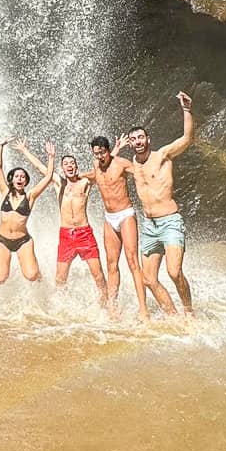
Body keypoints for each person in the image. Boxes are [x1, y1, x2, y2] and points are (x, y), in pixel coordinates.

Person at [122, 91, 196, 316]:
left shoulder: (162, 155)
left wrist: (186, 110)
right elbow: (106, 170)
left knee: (174, 272)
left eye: (141, 137)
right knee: (148, 278)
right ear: (130, 143)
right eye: (134, 139)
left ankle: (189, 312)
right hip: (149, 227)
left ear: (148, 140)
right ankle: (173, 315)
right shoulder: (131, 166)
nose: (138, 142)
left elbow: (186, 138)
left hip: (170, 222)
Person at [90, 133, 149, 320]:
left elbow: (142, 173)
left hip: (125, 215)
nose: (99, 157)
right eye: (96, 153)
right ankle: (113, 308)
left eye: (102, 153)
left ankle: (143, 309)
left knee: (132, 261)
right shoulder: (96, 166)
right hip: (109, 218)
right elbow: (97, 173)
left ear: (108, 151)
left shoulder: (122, 163)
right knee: (111, 263)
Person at [0, 139, 56, 285]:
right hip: (2, 240)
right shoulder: (4, 192)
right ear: (12, 180)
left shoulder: (30, 196)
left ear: (26, 181)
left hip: (23, 241)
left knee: (31, 276)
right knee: (0, 279)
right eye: (17, 176)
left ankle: (40, 276)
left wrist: (51, 157)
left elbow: (48, 178)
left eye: (23, 177)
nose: (20, 178)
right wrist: (0, 146)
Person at [53, 152, 111, 312]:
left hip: (84, 234)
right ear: (62, 168)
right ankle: (60, 308)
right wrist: (25, 151)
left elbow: (101, 171)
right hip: (66, 235)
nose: (69, 166)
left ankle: (107, 304)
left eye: (72, 163)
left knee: (98, 275)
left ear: (76, 166)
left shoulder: (85, 182)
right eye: (66, 164)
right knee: (60, 278)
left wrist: (114, 151)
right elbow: (41, 169)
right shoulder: (59, 183)